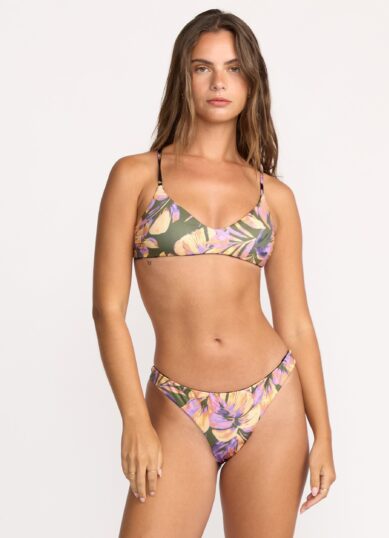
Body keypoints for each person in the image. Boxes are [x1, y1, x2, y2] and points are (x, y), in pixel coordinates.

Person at [92, 9, 336, 538]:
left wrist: (324, 433)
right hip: (178, 405)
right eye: (203, 67)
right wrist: (134, 418)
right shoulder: (137, 176)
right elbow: (108, 310)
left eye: (233, 68)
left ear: (252, 82)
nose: (219, 82)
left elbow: (296, 324)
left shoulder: (275, 196)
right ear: (183, 77)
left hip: (272, 402)